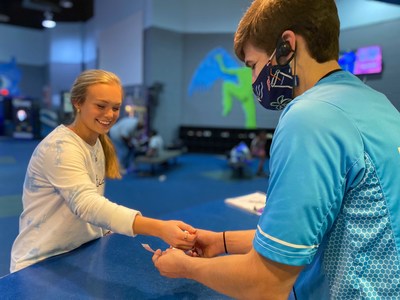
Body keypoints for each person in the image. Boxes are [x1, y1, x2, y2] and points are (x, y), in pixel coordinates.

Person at [152, 0, 400, 299]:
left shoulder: (308, 117)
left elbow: (265, 283)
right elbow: (324, 229)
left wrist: (185, 268)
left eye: (254, 65)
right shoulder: (379, 105)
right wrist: (221, 241)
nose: (254, 81)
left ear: (286, 46)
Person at [10, 69, 197, 273]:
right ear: (77, 102)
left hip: (78, 255)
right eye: (100, 106)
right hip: (41, 263)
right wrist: (160, 228)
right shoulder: (60, 148)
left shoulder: (96, 141)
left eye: (115, 108)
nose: (109, 115)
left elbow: (91, 202)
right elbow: (87, 205)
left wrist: (105, 231)